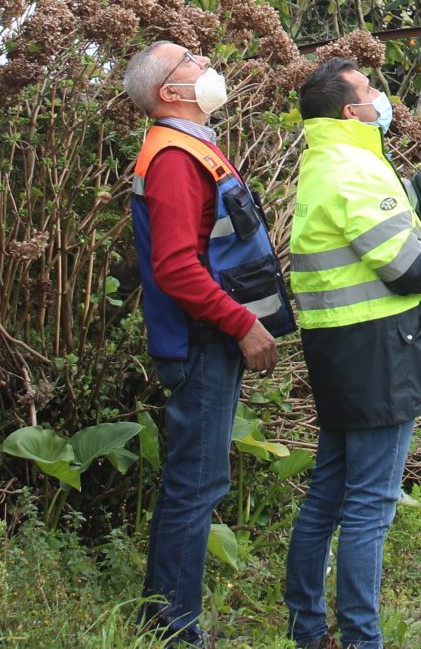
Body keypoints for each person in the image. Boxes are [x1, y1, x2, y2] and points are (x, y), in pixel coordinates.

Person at [282, 59, 421, 649]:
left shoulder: (335, 160)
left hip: (344, 351)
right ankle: (360, 639)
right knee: (371, 505)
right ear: (351, 111)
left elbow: (406, 208)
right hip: (379, 353)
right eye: (370, 89)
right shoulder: (353, 169)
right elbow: (407, 264)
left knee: (329, 491)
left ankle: (307, 630)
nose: (382, 95)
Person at [125, 41, 295, 645]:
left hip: (206, 338)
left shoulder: (191, 146)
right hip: (200, 342)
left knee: (197, 480)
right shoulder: (173, 156)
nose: (206, 65)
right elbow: (176, 267)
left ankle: (166, 616)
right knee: (195, 484)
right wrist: (241, 324)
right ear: (169, 93)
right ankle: (171, 626)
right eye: (191, 61)